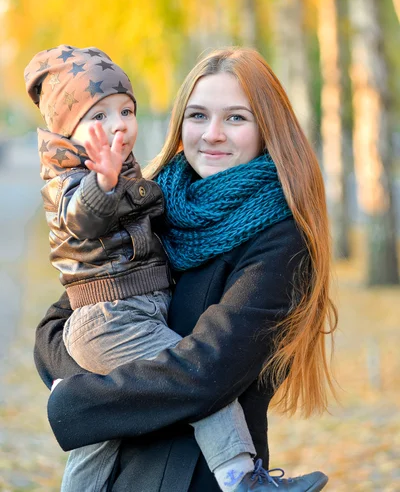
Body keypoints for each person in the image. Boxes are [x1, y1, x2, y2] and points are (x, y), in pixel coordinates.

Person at [33, 47, 337, 492]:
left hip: (199, 480)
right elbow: (59, 327)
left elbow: (207, 372)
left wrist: (77, 401)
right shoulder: (151, 204)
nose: (212, 134)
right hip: (125, 479)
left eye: (236, 118)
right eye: (198, 116)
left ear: (267, 129)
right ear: (180, 124)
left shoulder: (282, 240)